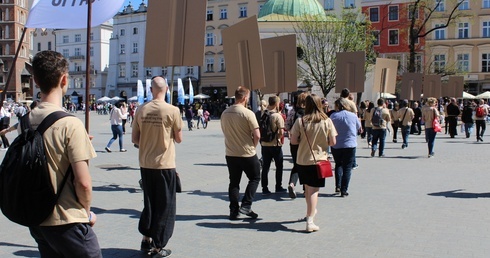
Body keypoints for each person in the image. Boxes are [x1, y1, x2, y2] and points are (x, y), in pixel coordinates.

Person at [27, 50, 101, 257]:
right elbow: (83, 183)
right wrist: (86, 213)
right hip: (67, 219)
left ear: (35, 81)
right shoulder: (70, 124)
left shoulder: (26, 120)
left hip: (38, 218)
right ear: (64, 78)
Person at [132, 76, 183, 257]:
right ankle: (158, 245)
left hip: (146, 164)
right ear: (167, 89)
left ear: (151, 90)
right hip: (164, 164)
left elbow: (134, 139)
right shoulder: (173, 110)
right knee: (165, 205)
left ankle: (146, 238)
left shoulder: (141, 109)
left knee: (150, 202)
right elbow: (179, 138)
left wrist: (147, 143)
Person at [290, 94, 337, 232]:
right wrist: (323, 143)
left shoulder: (301, 121)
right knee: (314, 190)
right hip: (319, 160)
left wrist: (302, 142)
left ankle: (310, 212)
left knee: (307, 188)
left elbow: (293, 141)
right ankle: (310, 220)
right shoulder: (327, 121)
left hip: (303, 159)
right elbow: (333, 142)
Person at [220, 86, 261, 220]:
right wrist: (253, 146)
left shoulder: (225, 113)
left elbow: (224, 131)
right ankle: (246, 204)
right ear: (244, 98)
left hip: (231, 153)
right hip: (247, 153)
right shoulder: (248, 113)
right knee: (255, 178)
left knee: (234, 182)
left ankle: (233, 210)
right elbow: (257, 135)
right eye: (248, 97)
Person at [330, 98, 360, 197]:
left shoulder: (333, 116)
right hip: (350, 144)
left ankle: (337, 185)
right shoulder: (352, 115)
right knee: (347, 167)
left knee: (338, 164)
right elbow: (358, 127)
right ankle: (344, 189)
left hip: (337, 144)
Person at [260, 96, 286, 194]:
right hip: (275, 144)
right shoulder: (277, 116)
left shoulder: (263, 114)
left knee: (265, 167)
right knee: (279, 166)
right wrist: (278, 138)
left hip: (264, 144)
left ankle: (264, 188)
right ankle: (278, 186)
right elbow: (281, 131)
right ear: (276, 104)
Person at [285, 92, 307, 199]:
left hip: (294, 141)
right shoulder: (309, 112)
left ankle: (292, 183)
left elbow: (287, 125)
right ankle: (305, 189)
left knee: (296, 163)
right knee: (307, 164)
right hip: (306, 142)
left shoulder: (292, 111)